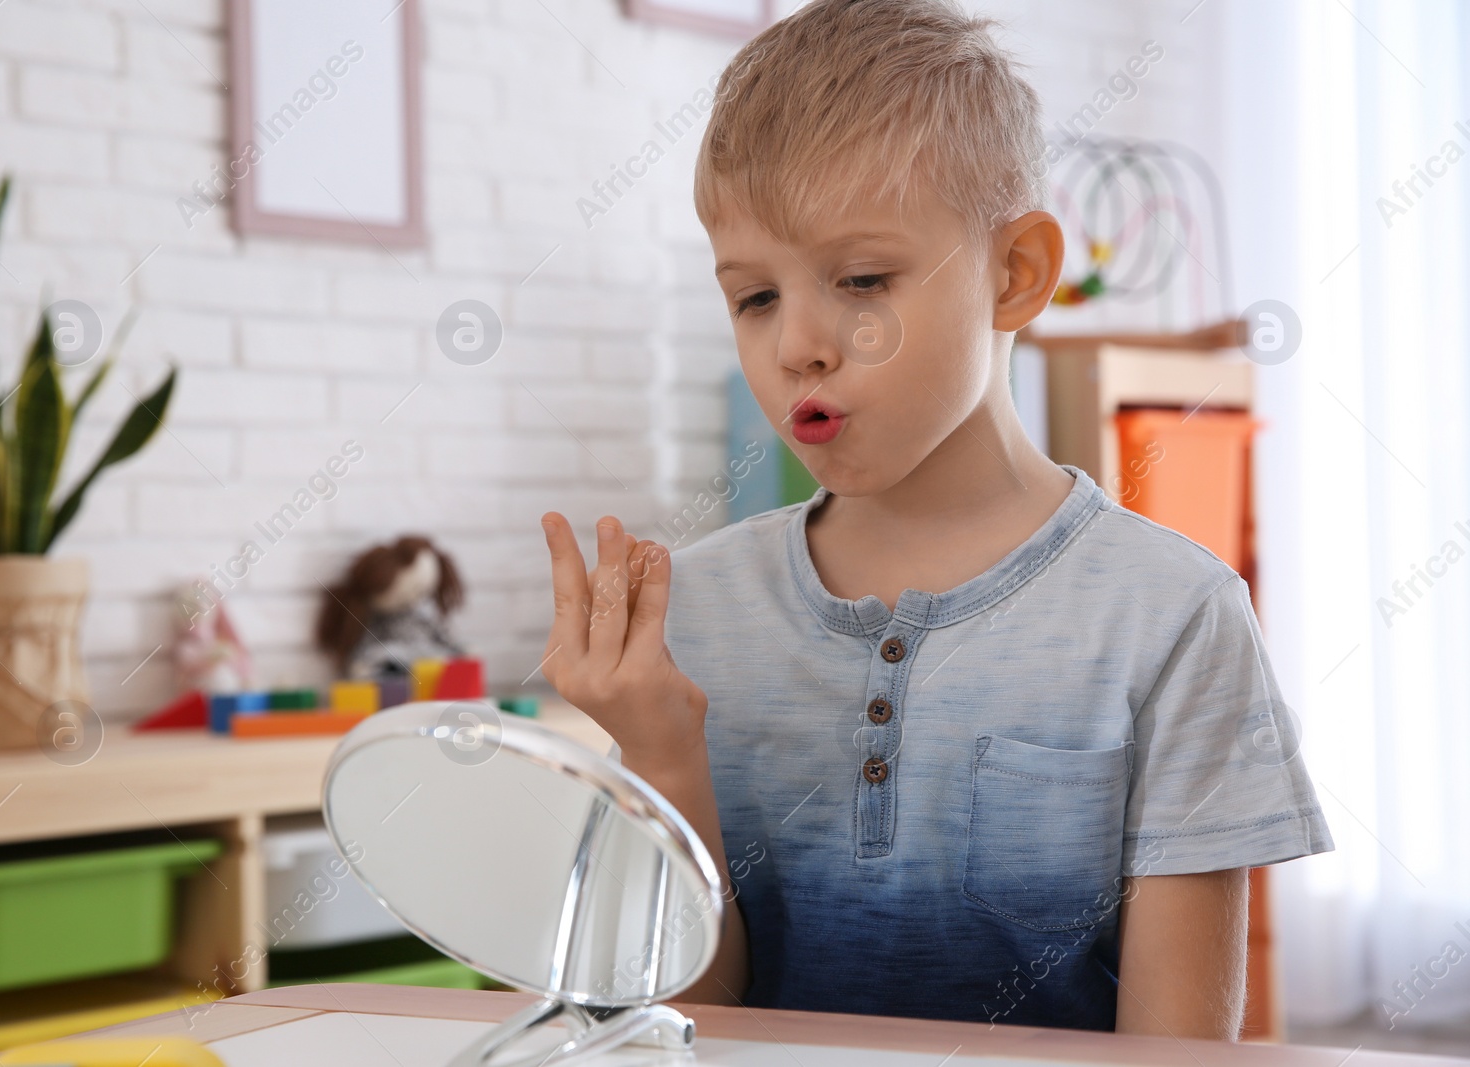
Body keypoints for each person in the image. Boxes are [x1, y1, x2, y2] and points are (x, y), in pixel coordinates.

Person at [538, 0, 1331, 1038]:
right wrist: (660, 751)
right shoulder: (692, 613)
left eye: (861, 279)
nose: (800, 346)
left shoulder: (1172, 616)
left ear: (1014, 274)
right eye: (754, 297)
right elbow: (691, 1028)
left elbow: (1175, 1053)